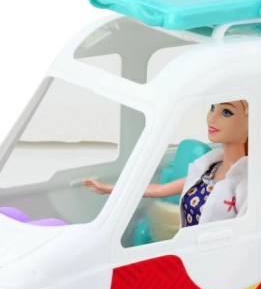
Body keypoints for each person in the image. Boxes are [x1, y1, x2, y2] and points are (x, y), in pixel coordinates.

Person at [83, 100, 248, 235]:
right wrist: (108, 188)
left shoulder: (246, 184)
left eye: (226, 112)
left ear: (251, 122)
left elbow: (245, 237)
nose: (212, 118)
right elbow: (160, 190)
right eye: (212, 108)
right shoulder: (208, 169)